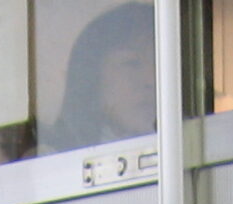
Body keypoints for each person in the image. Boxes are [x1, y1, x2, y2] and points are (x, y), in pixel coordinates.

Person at [45, 3, 154, 153]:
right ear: (92, 79)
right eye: (131, 63)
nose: (151, 80)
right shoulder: (52, 159)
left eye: (160, 64)